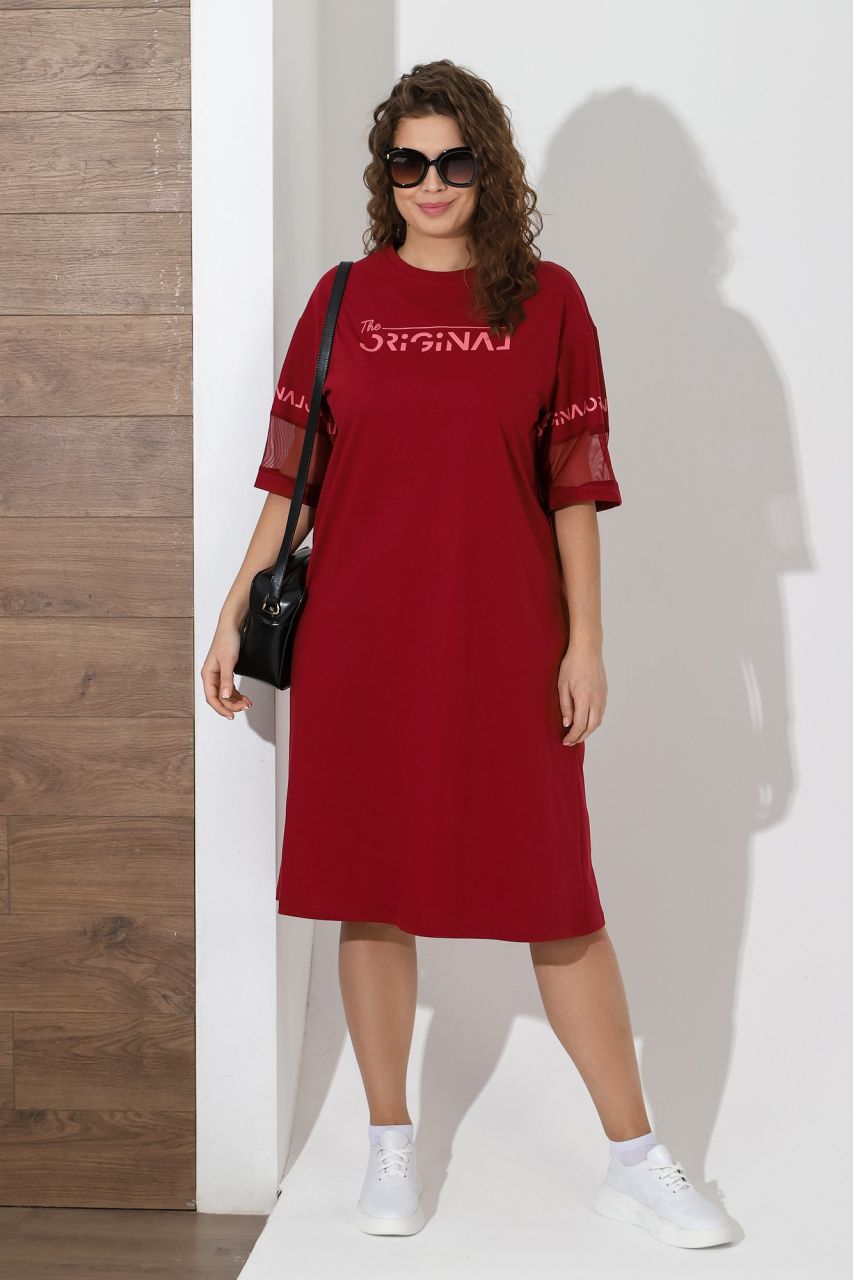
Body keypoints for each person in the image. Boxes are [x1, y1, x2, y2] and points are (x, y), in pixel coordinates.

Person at [202, 60, 736, 1250]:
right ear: (384, 175)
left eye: (454, 159)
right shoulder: (343, 299)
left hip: (506, 645)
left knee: (558, 899)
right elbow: (293, 481)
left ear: (488, 169)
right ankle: (388, 1139)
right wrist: (235, 607)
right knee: (369, 890)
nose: (431, 182)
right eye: (408, 161)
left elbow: (573, 490)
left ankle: (635, 1157)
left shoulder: (548, 303)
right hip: (359, 643)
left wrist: (586, 640)